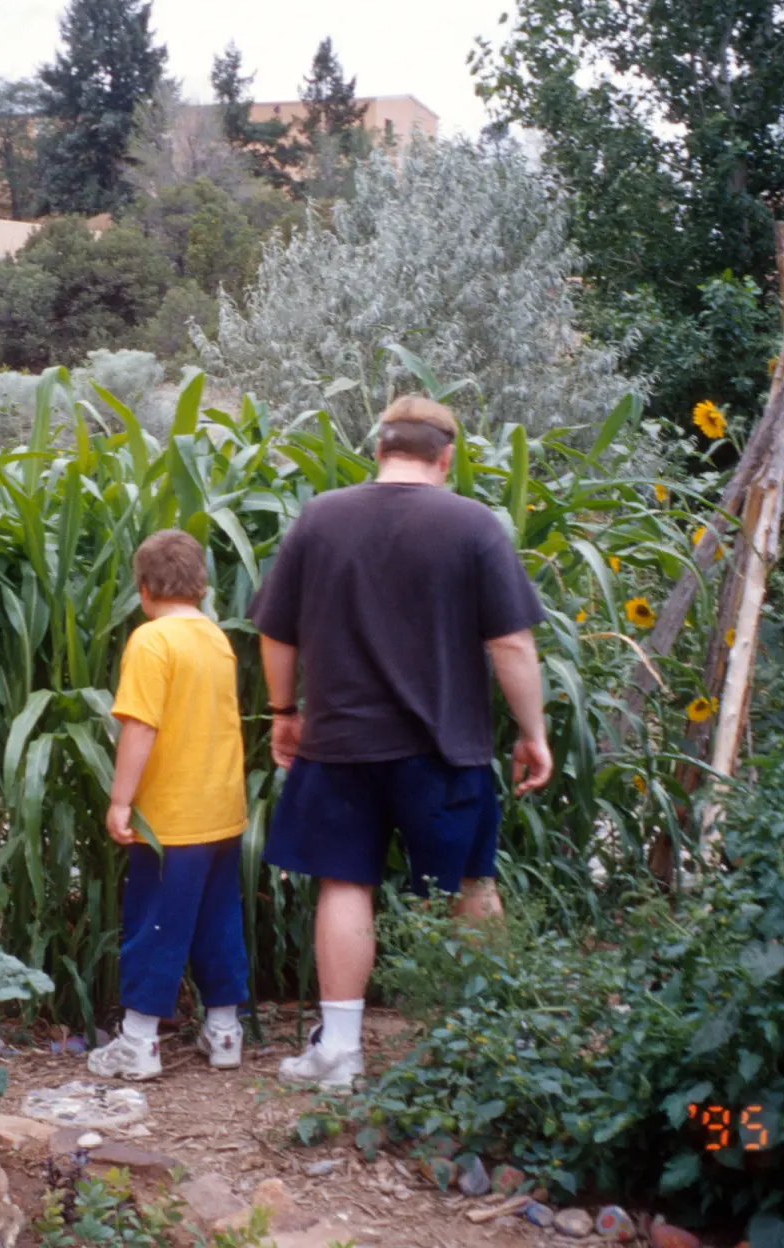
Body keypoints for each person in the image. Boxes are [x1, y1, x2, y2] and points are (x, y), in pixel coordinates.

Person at [248, 394, 552, 1093]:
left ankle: (340, 1053)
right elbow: (510, 642)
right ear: (446, 457)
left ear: (380, 450)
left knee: (344, 881)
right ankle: (482, 1043)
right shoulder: (473, 524)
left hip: (339, 742)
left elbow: (276, 632)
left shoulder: (320, 517)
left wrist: (283, 712)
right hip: (445, 748)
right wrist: (532, 733)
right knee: (470, 883)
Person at [87, 528, 250, 1082]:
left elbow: (140, 725)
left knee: (155, 921)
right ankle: (224, 1032)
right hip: (222, 811)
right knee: (219, 919)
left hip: (171, 818)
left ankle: (138, 1041)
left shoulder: (152, 641)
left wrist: (120, 800)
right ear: (201, 584)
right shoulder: (216, 638)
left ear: (144, 588)